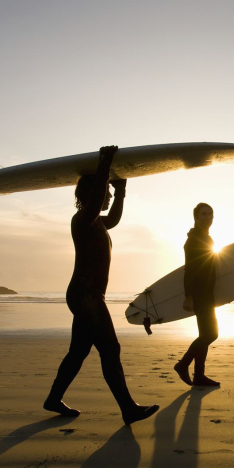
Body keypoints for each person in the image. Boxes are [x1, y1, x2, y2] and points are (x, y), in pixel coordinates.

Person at [44, 145, 159, 425]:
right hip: (86, 297)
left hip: (87, 296)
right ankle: (128, 409)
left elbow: (115, 218)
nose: (107, 197)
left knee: (79, 351)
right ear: (91, 193)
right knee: (110, 349)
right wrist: (104, 162)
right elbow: (96, 202)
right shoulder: (82, 219)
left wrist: (120, 190)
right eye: (105, 193)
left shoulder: (97, 223)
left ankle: (53, 399)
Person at [174, 203, 220, 387]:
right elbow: (190, 270)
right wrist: (188, 296)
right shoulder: (193, 240)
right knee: (211, 334)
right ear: (196, 218)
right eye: (204, 214)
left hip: (207, 293)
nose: (208, 217)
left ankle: (199, 375)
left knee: (205, 334)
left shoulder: (206, 238)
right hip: (200, 294)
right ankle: (183, 364)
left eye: (210, 214)